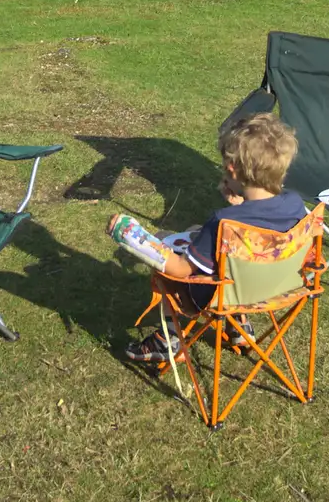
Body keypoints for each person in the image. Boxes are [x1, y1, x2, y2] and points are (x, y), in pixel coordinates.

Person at [120, 112, 307, 363]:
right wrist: (240, 203)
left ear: (231, 169)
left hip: (219, 294)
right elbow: (259, 221)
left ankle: (168, 339)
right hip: (278, 287)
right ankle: (239, 324)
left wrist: (136, 238)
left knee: (166, 244)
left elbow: (181, 270)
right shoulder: (296, 205)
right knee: (201, 233)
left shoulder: (223, 223)